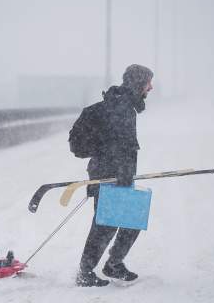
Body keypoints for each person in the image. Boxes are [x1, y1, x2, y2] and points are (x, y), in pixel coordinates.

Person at [75, 64, 154, 287]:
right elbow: (112, 145)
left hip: (120, 173)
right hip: (109, 174)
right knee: (105, 224)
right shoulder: (120, 107)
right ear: (139, 83)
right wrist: (114, 169)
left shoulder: (126, 106)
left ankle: (114, 264)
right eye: (148, 82)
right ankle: (85, 272)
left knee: (132, 217)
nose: (151, 87)